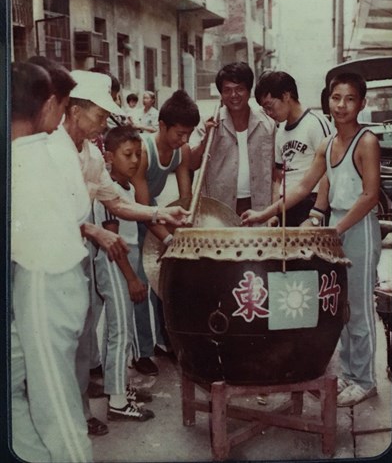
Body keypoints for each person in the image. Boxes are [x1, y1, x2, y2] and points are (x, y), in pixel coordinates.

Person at [48, 70, 190, 435]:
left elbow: (118, 202)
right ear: (75, 110)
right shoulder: (51, 149)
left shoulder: (92, 154)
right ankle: (70, 416)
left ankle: (79, 413)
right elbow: (50, 212)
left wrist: (158, 212)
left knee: (80, 341)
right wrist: (95, 231)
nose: (101, 122)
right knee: (60, 341)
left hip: (77, 257)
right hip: (50, 259)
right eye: (98, 114)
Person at [242, 72, 381, 407]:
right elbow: (304, 187)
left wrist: (336, 229)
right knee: (342, 307)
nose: (342, 105)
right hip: (338, 227)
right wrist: (264, 214)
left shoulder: (366, 141)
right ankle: (349, 373)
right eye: (336, 98)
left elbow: (370, 195)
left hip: (358, 228)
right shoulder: (327, 144)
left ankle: (365, 380)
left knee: (359, 307)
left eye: (350, 99)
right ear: (328, 100)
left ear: (361, 104)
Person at [11, 61, 93, 462]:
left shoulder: (24, 157)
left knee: (55, 410)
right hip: (54, 280)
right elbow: (79, 212)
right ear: (46, 105)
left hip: (44, 281)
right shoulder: (44, 150)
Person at [130, 89, 200, 374]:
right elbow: (143, 209)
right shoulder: (143, 151)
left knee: (164, 277)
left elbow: (185, 199)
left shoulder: (181, 150)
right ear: (162, 126)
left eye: (188, 135)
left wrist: (187, 228)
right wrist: (170, 239)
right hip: (130, 212)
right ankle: (142, 352)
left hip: (154, 209)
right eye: (179, 133)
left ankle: (165, 341)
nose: (184, 140)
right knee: (140, 284)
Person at [93, 125, 155, 421]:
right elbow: (113, 244)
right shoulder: (108, 193)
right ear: (108, 156)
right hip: (114, 263)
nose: (134, 160)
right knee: (120, 332)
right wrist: (131, 278)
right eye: (127, 154)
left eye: (138, 154)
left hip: (125, 264)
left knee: (124, 330)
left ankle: (120, 387)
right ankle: (117, 402)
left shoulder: (127, 187)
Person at [189, 61, 276, 217]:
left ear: (249, 91)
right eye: (227, 90)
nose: (234, 95)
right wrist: (206, 139)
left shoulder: (267, 125)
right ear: (221, 94)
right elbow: (192, 164)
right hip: (219, 207)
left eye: (239, 89)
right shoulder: (209, 123)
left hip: (258, 207)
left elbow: (276, 171)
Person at [254, 70, 333, 226]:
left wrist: (316, 216)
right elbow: (278, 178)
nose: (270, 113)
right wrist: (273, 213)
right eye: (265, 110)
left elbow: (329, 172)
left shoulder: (316, 123)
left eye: (270, 106)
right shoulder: (280, 133)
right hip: (286, 206)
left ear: (286, 95)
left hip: (310, 205)